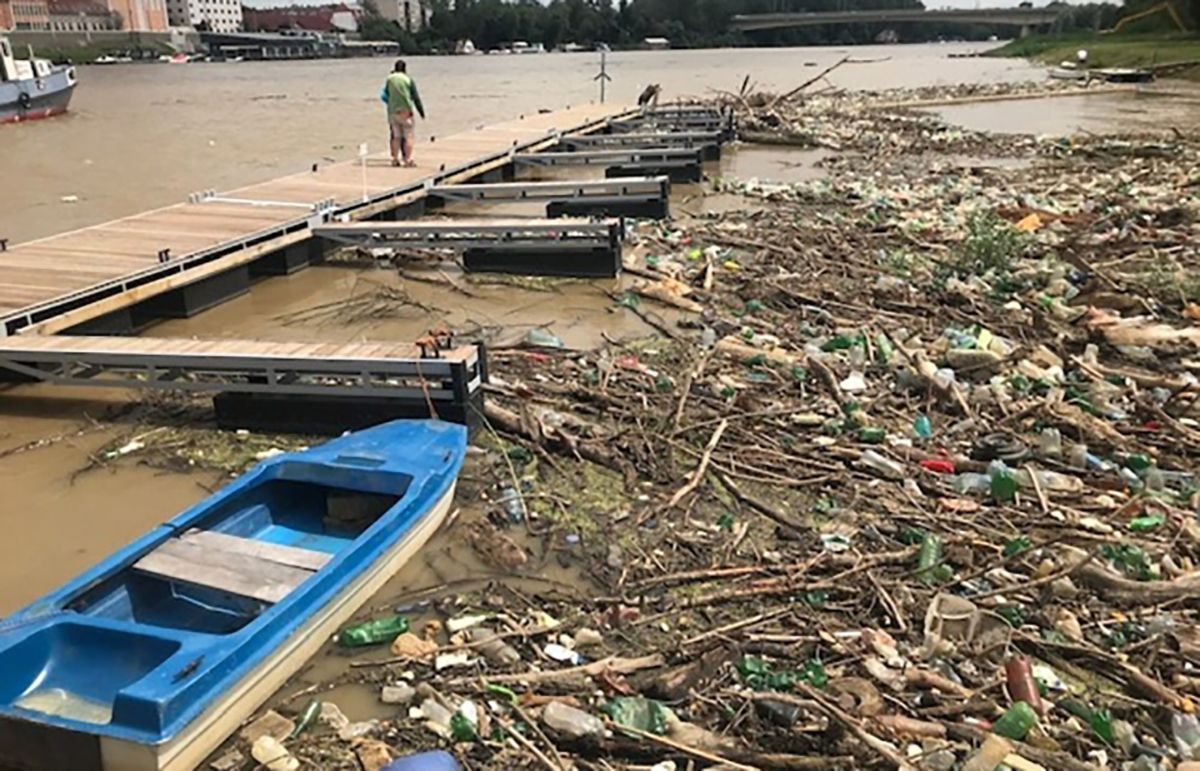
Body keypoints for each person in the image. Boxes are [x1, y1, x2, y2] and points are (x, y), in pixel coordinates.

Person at [382, 59, 426, 168]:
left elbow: (385, 94)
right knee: (408, 136)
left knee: (396, 137)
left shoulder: (389, 79)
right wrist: (421, 112)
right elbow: (415, 97)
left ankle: (395, 159)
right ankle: (408, 160)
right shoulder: (408, 79)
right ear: (405, 69)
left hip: (392, 111)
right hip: (406, 111)